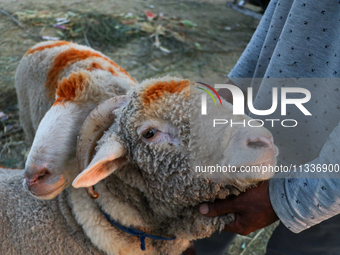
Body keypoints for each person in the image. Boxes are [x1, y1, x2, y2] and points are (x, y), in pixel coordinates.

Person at [191, 0, 340, 254]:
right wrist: (232, 91)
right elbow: (292, 14)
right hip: (263, 126)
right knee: (190, 233)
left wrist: (286, 201)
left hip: (330, 180)